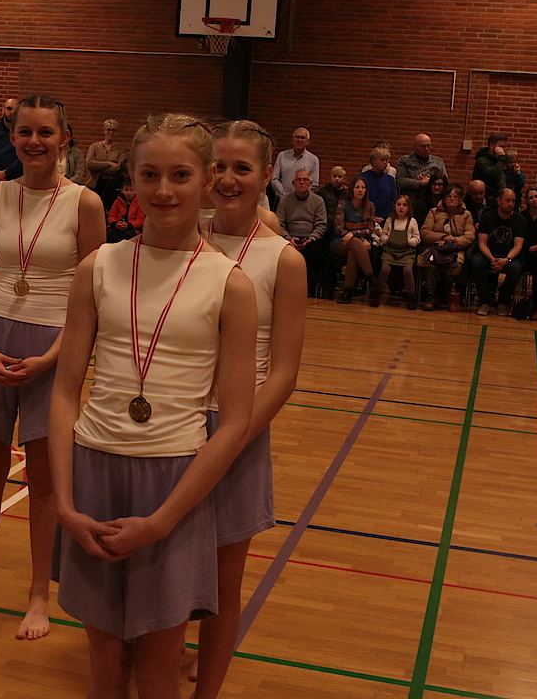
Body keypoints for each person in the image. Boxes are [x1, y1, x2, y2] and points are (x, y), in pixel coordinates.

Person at [50, 112, 258, 699]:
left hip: (174, 483)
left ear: (208, 179)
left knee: (159, 670)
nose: (163, 190)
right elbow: (64, 393)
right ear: (132, 179)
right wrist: (64, 504)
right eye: (149, 175)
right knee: (105, 666)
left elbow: (235, 421)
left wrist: (165, 519)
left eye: (180, 175)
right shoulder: (98, 266)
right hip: (95, 471)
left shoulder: (231, 284)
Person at [0, 94, 104, 640]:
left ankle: (39, 595)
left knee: (43, 478)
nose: (34, 142)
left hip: (53, 346)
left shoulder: (85, 202)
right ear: (11, 136)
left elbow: (93, 293)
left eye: (45, 132)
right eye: (24, 132)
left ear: (65, 138)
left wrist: (54, 356)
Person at [192, 119, 305, 697]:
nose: (228, 179)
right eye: (218, 166)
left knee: (222, 575)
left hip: (239, 426)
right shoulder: (182, 236)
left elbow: (283, 373)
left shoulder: (282, 259)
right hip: (174, 419)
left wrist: (232, 437)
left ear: (266, 176)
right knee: (166, 558)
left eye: (243, 168)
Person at [471, 187, 527, 316]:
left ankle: (503, 301)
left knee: (516, 268)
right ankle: (485, 301)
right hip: (489, 254)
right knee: (476, 262)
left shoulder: (520, 220)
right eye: (507, 200)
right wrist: (492, 259)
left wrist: (506, 260)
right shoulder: (487, 216)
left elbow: (518, 246)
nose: (511, 204)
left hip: (508, 256)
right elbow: (482, 243)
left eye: (513, 201)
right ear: (499, 200)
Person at [419, 185, 476, 312]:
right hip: (436, 247)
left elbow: (469, 236)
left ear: (460, 199)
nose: (452, 199)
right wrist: (443, 237)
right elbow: (425, 232)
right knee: (430, 261)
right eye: (449, 196)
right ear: (444, 198)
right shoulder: (434, 212)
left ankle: (444, 293)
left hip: (456, 248)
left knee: (456, 264)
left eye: (455, 196)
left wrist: (453, 241)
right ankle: (430, 296)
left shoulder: (466, 215)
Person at [275, 169, 328, 295]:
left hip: (310, 238)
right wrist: (288, 238)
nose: (302, 182)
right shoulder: (285, 200)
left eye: (305, 180)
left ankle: (307, 287)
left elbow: (321, 225)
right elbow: (279, 224)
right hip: (289, 238)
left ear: (310, 183)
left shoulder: (318, 201)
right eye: (299, 179)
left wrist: (310, 239)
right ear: (293, 183)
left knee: (315, 250)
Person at [330, 178, 381, 304]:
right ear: (352, 189)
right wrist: (357, 237)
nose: (360, 190)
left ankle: (347, 292)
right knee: (355, 243)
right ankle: (372, 279)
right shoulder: (343, 204)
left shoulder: (370, 206)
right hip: (340, 240)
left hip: (360, 242)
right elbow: (339, 229)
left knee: (353, 251)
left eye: (363, 187)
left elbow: (370, 229)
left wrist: (354, 234)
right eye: (357, 187)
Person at [86, 119, 130, 208]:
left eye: (114, 130)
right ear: (104, 131)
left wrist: (98, 166)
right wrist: (109, 163)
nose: (111, 132)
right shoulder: (94, 147)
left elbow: (119, 168)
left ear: (117, 133)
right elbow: (89, 164)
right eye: (108, 129)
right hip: (94, 184)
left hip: (110, 185)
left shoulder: (121, 150)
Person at [396, 134, 447, 202]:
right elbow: (400, 181)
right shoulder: (404, 161)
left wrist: (430, 182)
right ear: (415, 146)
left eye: (428, 146)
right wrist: (419, 183)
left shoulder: (438, 162)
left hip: (432, 201)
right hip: (411, 200)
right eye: (423, 146)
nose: (426, 149)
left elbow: (445, 182)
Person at [271, 127, 318, 196]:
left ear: (307, 141)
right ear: (293, 140)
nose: (299, 140)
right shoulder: (282, 156)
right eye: (297, 137)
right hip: (282, 198)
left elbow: (314, 183)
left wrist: (300, 195)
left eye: (302, 138)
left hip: (303, 200)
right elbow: (274, 179)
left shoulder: (313, 160)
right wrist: (285, 195)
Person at [357, 146, 397, 222]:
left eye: (386, 160)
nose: (385, 163)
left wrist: (383, 216)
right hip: (365, 218)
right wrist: (371, 216)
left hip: (385, 219)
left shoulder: (390, 180)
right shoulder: (362, 177)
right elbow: (358, 199)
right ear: (373, 160)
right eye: (382, 160)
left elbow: (393, 200)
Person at [106, 177, 145, 243]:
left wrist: (129, 225)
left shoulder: (139, 203)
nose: (129, 192)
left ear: (136, 190)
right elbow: (112, 215)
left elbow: (140, 219)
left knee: (129, 234)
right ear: (122, 190)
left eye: (131, 190)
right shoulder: (117, 202)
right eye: (126, 190)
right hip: (117, 226)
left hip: (131, 228)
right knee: (110, 233)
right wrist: (115, 223)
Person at [318, 166, 348, 236]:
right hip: (326, 224)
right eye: (334, 176)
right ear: (330, 178)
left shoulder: (348, 194)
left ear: (344, 179)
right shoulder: (323, 192)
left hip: (342, 225)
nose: (337, 179)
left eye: (340, 176)